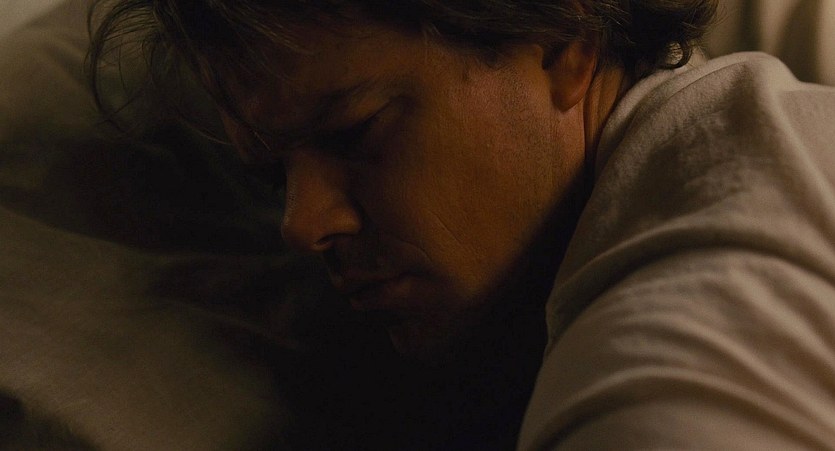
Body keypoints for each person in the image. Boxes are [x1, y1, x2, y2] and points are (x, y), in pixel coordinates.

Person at [88, 0, 835, 449]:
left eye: (354, 132)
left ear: (562, 39)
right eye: (272, 177)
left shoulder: (707, 275)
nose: (300, 224)